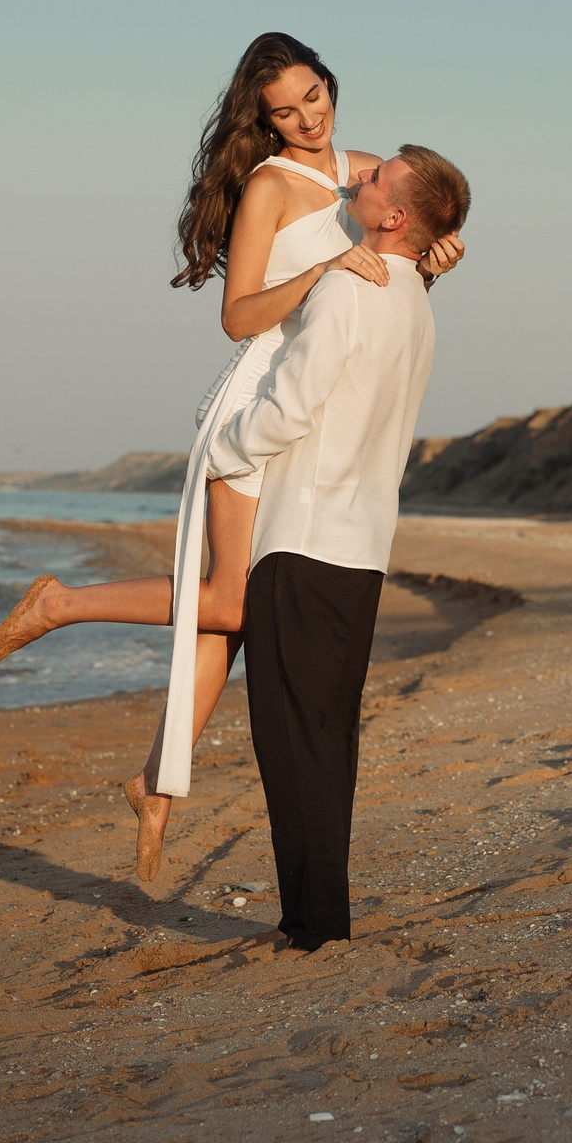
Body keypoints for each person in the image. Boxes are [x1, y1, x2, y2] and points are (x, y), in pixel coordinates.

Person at [0, 34, 463, 883]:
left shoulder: (367, 171)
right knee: (233, 600)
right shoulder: (269, 186)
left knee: (236, 608)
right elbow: (239, 315)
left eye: (316, 94)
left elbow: (385, 268)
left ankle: (157, 783)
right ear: (264, 117)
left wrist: (431, 259)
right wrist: (322, 271)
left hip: (301, 416)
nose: (310, 116)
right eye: (287, 108)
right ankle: (64, 606)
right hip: (255, 402)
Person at [208, 143, 469, 950]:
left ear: (394, 218)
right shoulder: (417, 306)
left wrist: (222, 448)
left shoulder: (349, 290)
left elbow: (286, 411)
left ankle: (314, 925)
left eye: (377, 178)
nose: (359, 177)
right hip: (361, 551)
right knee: (328, 738)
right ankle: (318, 917)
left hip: (303, 541)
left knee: (291, 743)